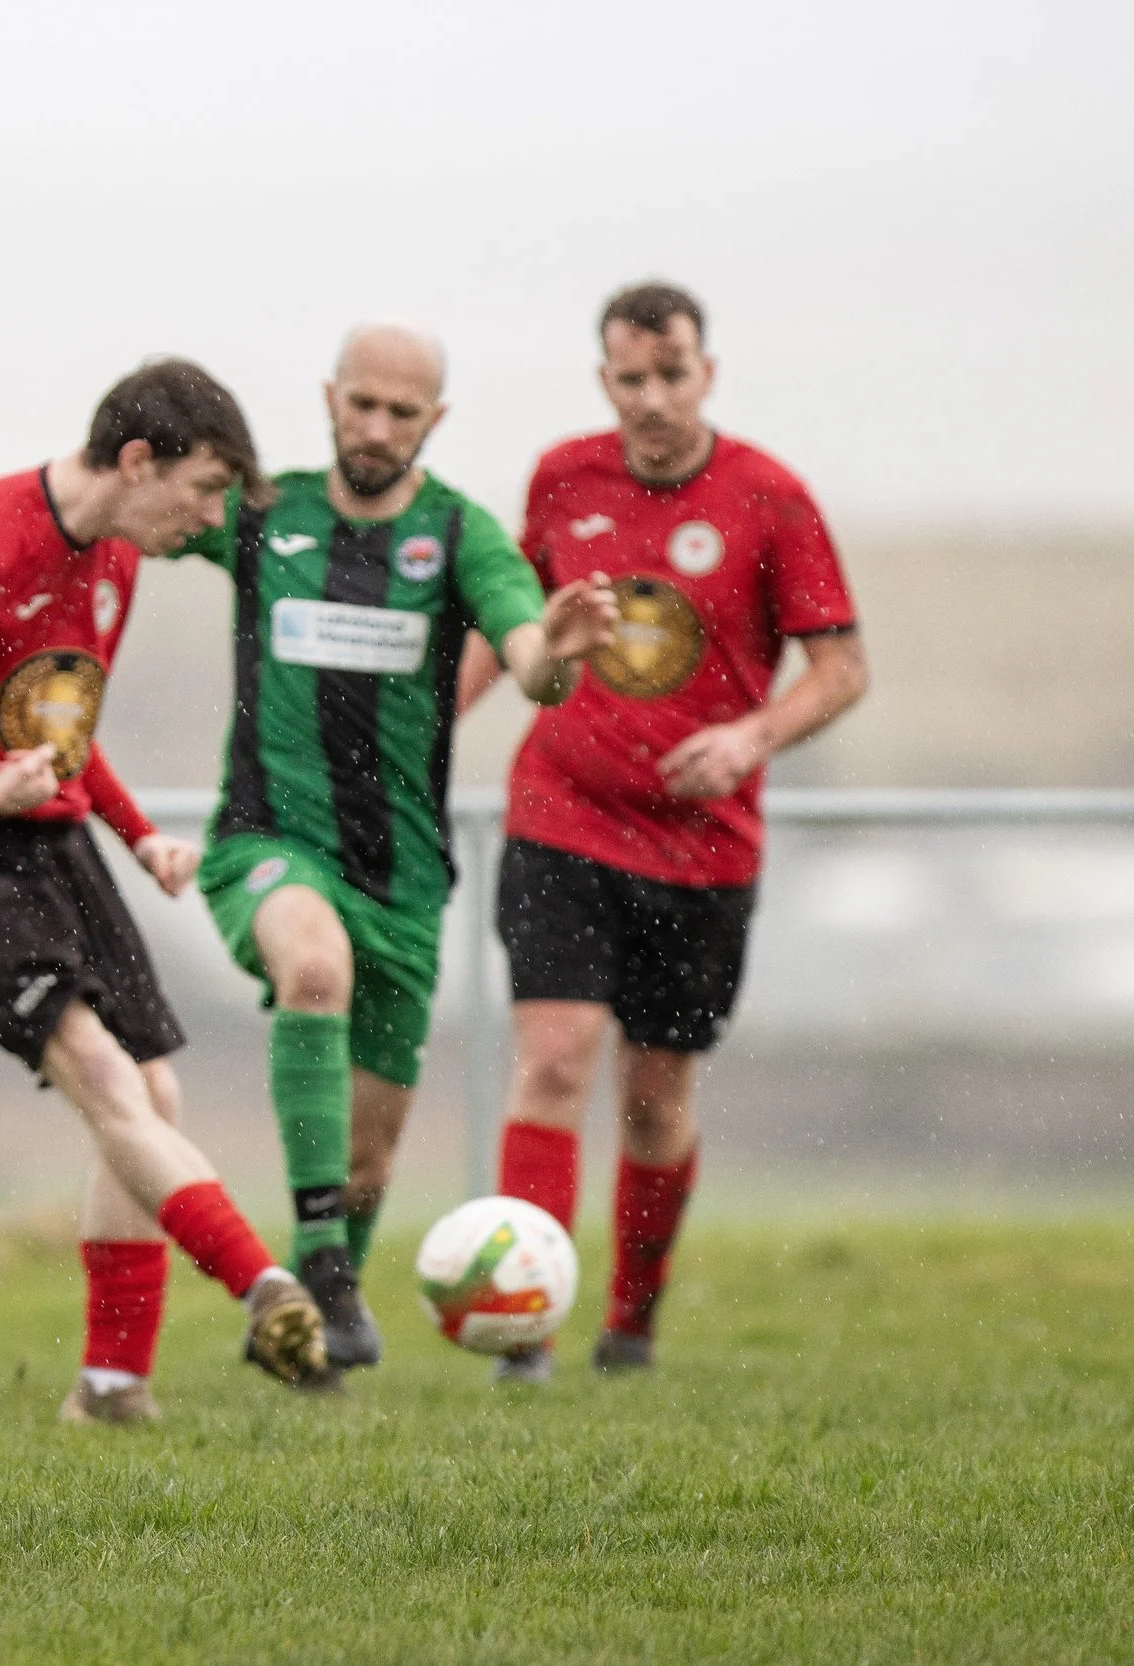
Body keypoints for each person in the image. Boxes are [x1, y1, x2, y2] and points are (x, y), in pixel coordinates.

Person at [0, 359, 329, 1426]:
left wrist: (140, 837)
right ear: (138, 459)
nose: (205, 515)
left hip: (43, 832)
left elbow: (56, 724)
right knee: (101, 1071)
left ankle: (108, 1387)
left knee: (153, 1093)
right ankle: (262, 1284)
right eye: (201, 486)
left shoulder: (112, 558)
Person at [169, 323, 614, 1374]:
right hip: (266, 842)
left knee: (365, 1162)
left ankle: (320, 1312)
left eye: (399, 412)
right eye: (359, 403)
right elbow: (112, 515)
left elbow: (529, 659)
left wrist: (554, 654)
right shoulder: (263, 510)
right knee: (311, 965)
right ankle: (322, 1271)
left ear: (434, 421)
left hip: (403, 877)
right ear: (329, 396)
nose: (374, 427)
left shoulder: (460, 536)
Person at [467, 282, 868, 1382]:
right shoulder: (560, 477)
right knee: (550, 1062)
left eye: (671, 372)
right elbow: (515, 626)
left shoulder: (769, 498)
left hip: (701, 848)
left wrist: (750, 737)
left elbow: (840, 669)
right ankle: (524, 1331)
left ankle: (630, 1323)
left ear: (707, 372)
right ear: (604, 382)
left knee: (655, 1095)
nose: (652, 397)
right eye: (629, 378)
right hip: (560, 814)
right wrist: (422, 732)